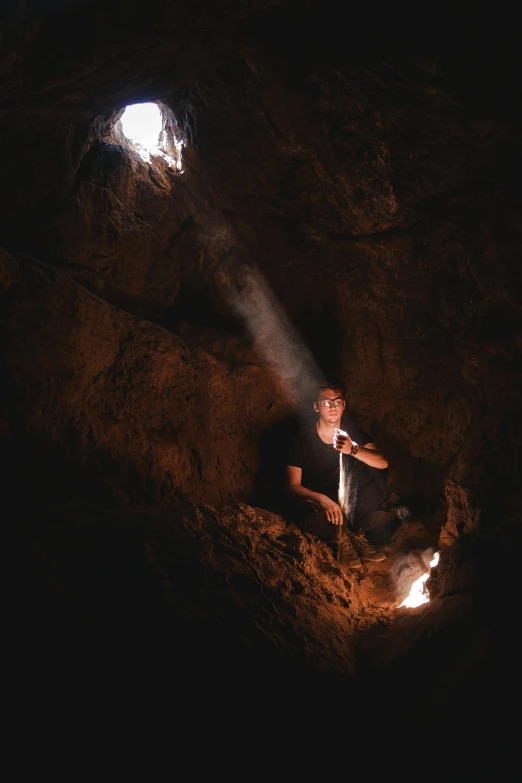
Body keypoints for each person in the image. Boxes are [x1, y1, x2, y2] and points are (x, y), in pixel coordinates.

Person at [286, 378, 389, 570]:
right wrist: (321, 498)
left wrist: (353, 449)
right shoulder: (301, 440)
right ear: (316, 407)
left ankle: (355, 533)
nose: (333, 406)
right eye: (326, 402)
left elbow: (382, 463)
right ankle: (339, 538)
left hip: (345, 501)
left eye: (337, 401)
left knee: (378, 475)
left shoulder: (351, 435)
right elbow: (292, 486)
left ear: (344, 406)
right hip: (318, 502)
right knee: (309, 514)